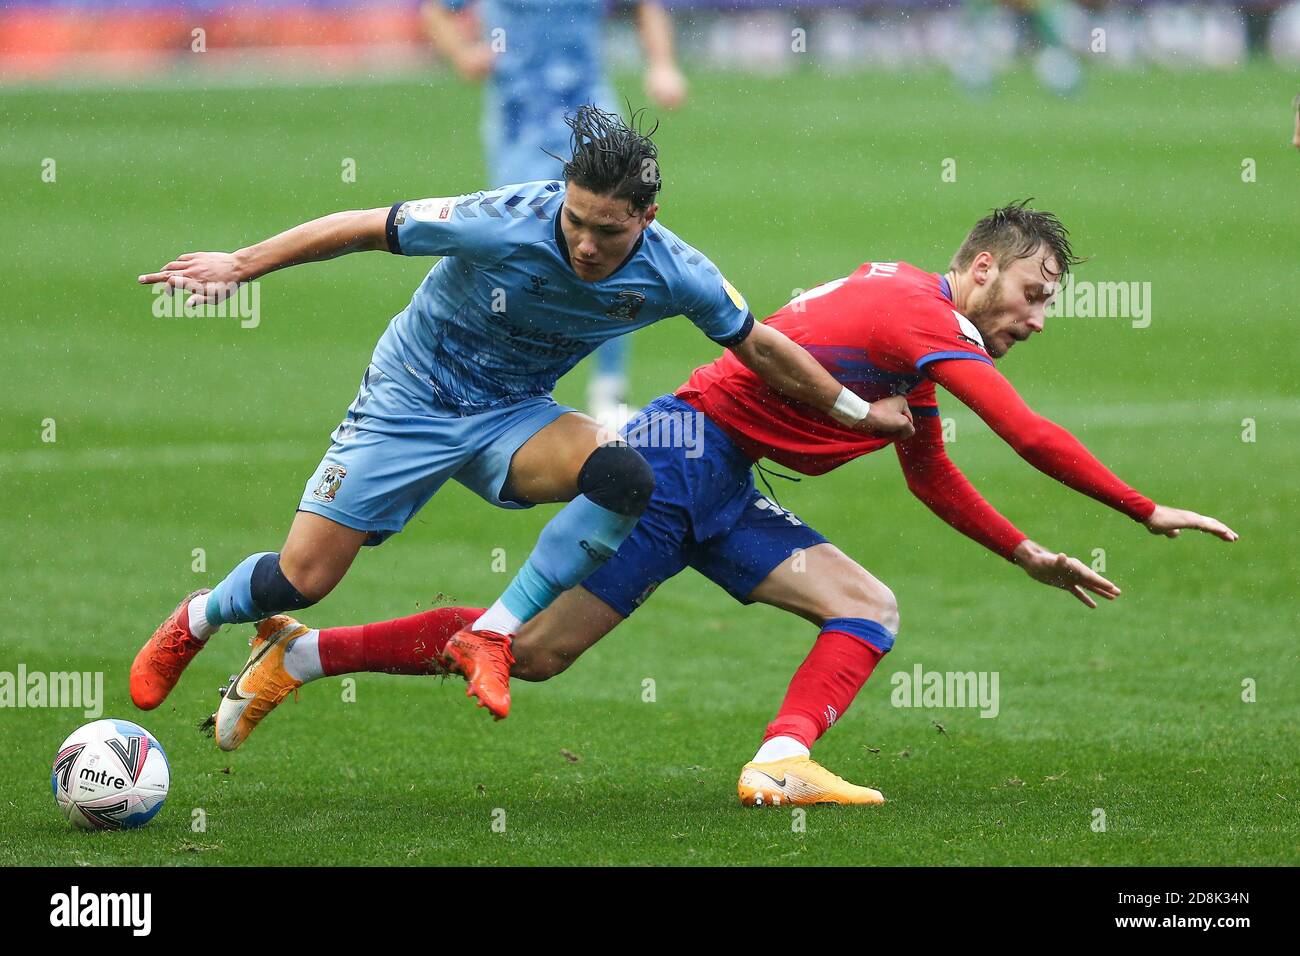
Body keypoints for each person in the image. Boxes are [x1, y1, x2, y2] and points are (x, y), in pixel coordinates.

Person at [208, 202, 1235, 807]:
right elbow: (1026, 433)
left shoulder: (918, 328)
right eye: (1034, 290)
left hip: (725, 475)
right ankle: (296, 654)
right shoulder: (915, 313)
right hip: (674, 455)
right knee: (532, 652)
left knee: (867, 605)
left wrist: (1024, 552)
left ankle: (781, 759)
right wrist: (1139, 508)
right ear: (977, 269)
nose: (1039, 315)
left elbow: (927, 467)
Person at [128, 106, 914, 723]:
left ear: (646, 216)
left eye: (606, 231)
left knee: (622, 474)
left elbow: (762, 346)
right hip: (408, 402)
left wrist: (854, 410)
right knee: (303, 579)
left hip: (512, 416)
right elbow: (368, 226)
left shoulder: (680, 273)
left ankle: (492, 633)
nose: (583, 244)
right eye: (574, 221)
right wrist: (242, 264)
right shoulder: (501, 217)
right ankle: (198, 617)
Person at [422, 0, 689, 425]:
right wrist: (462, 54)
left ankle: (609, 390)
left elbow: (643, 7)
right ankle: (493, 376)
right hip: (520, 118)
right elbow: (437, 9)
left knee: (616, 240)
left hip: (591, 111)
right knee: (515, 244)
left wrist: (661, 65)